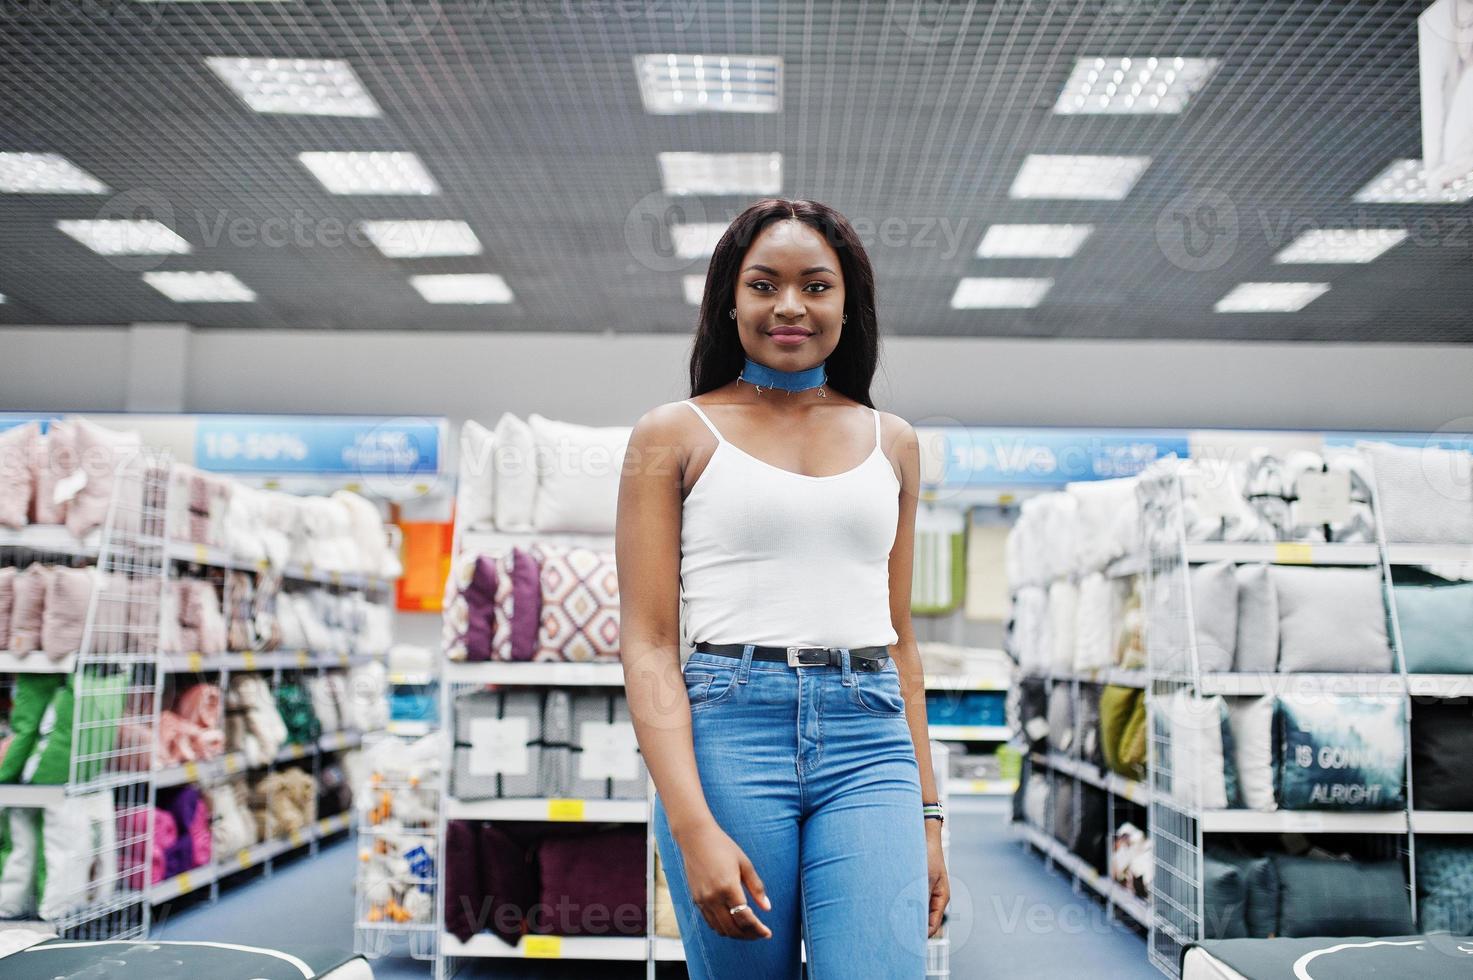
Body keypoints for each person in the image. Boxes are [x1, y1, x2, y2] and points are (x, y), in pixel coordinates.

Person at [615, 198, 949, 978]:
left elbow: (899, 640)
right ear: (728, 301)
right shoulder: (672, 433)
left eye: (816, 286)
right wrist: (691, 827)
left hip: (871, 743)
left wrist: (929, 819)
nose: (790, 306)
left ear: (847, 302)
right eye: (763, 285)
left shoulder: (891, 442)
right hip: (728, 733)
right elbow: (650, 644)